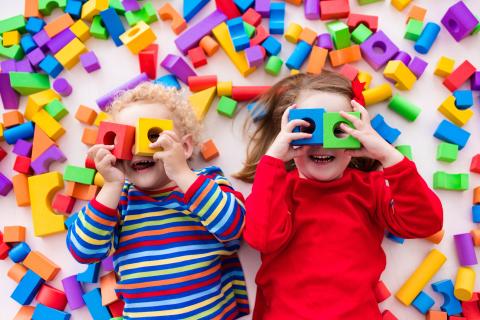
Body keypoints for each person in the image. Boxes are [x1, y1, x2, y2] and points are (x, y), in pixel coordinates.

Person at [235, 71, 443, 319]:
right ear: (288, 134)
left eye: (339, 129)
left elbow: (426, 222)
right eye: (309, 128)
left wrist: (388, 156)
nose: (323, 143)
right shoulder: (277, 188)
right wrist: (273, 160)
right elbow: (262, 239)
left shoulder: (370, 188)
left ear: (357, 137)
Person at [66, 82, 249, 319]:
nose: (137, 149)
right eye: (126, 140)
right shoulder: (118, 201)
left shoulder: (206, 183)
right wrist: (111, 185)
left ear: (184, 147)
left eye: (151, 136)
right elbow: (83, 251)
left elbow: (234, 227)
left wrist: (183, 174)